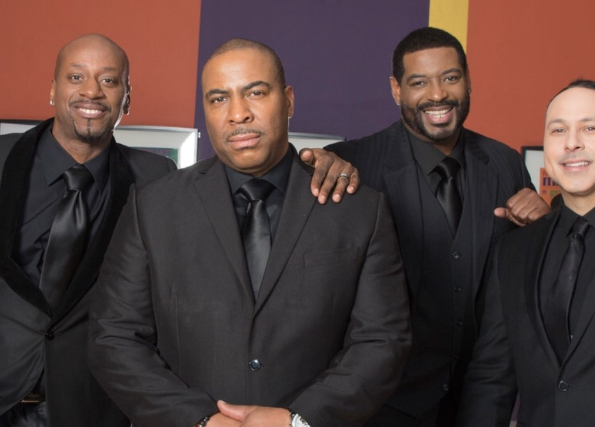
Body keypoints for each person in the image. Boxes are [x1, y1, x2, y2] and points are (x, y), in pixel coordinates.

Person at [0, 34, 353, 427]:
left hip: (89, 403)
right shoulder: (3, 157)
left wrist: (331, 163)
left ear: (127, 98)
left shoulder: (156, 179)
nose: (92, 91)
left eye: (109, 80)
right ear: (53, 89)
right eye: (76, 77)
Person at [88, 38, 411, 427]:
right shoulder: (153, 207)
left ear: (288, 101)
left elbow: (381, 341)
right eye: (218, 99)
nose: (238, 114)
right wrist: (200, 420)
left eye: (255, 93)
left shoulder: (360, 210)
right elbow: (115, 338)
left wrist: (298, 421)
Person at [305, 27, 550, 426]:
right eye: (419, 82)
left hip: (480, 405)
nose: (438, 94)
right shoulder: (352, 166)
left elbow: (517, 292)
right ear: (396, 90)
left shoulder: (505, 165)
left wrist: (544, 227)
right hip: (379, 408)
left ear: (468, 80)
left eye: (450, 78)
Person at [457, 79, 595, 426]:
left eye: (589, 127)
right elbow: (492, 377)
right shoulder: (515, 249)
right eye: (558, 130)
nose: (572, 143)